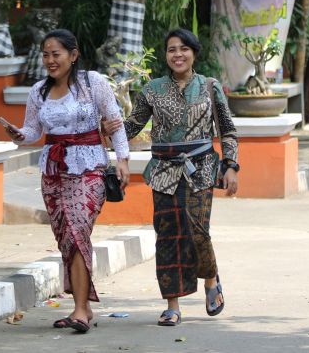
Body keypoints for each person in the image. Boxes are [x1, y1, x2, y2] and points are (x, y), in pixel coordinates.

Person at [102, 28, 239, 326]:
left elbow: (227, 129)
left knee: (198, 230)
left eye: (183, 49)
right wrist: (106, 134)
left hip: (200, 169)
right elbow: (132, 125)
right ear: (166, 55)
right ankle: (172, 305)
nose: (177, 54)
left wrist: (231, 165)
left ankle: (211, 279)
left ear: (194, 53)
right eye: (171, 49)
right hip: (163, 171)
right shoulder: (152, 90)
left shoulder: (210, 87)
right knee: (167, 236)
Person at [4, 28, 131, 333]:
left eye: (55, 54)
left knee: (77, 231)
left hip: (90, 167)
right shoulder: (38, 91)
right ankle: (83, 308)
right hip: (53, 171)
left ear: (73, 56)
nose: (50, 60)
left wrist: (123, 159)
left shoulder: (93, 83)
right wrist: (18, 134)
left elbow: (114, 121)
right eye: (45, 54)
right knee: (67, 238)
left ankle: (79, 309)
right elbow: (33, 131)